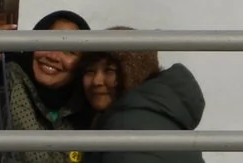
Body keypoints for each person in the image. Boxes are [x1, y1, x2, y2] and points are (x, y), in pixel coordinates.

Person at [0, 6, 90, 163]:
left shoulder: (85, 105)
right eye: (48, 43)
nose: (53, 56)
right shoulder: (5, 80)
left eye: (69, 51)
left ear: (82, 63)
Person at [74, 36, 208, 163]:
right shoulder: (153, 115)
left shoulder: (126, 127)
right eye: (89, 71)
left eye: (109, 71)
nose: (96, 81)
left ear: (135, 73)